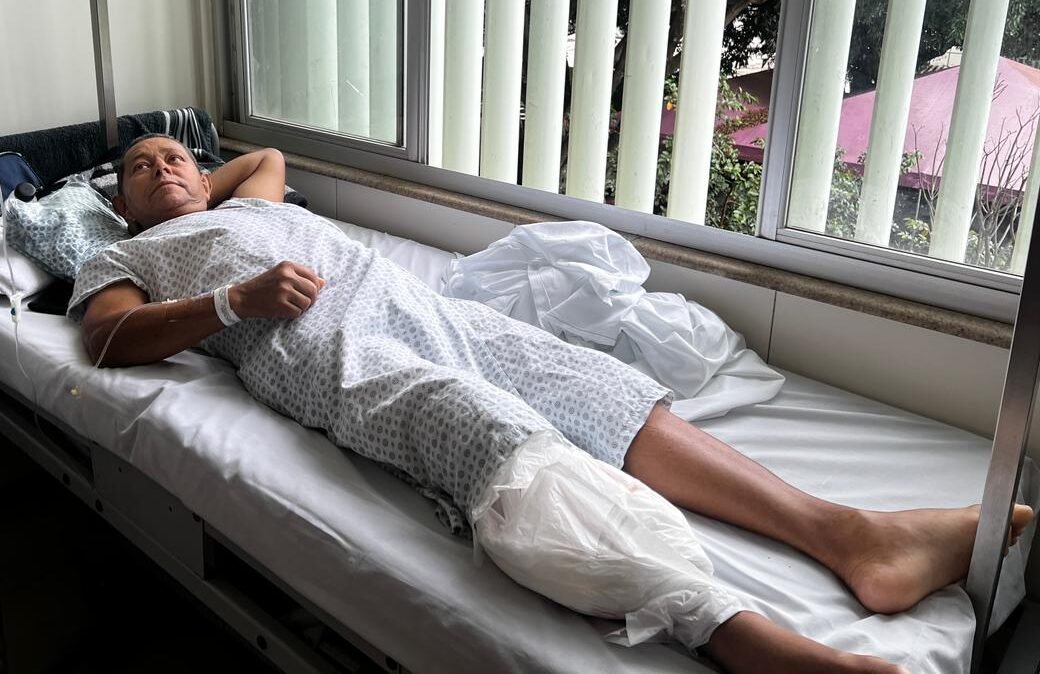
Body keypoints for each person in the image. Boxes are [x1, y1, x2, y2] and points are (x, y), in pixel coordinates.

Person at [70, 134, 1033, 674]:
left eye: (178, 156)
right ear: (120, 205)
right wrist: (231, 300)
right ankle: (753, 642)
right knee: (500, 441)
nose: (166, 169)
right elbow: (106, 340)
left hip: (426, 308)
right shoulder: (126, 251)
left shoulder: (256, 198)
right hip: (329, 349)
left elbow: (266, 155)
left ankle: (848, 536)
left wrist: (195, 182)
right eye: (141, 169)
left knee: (593, 386)